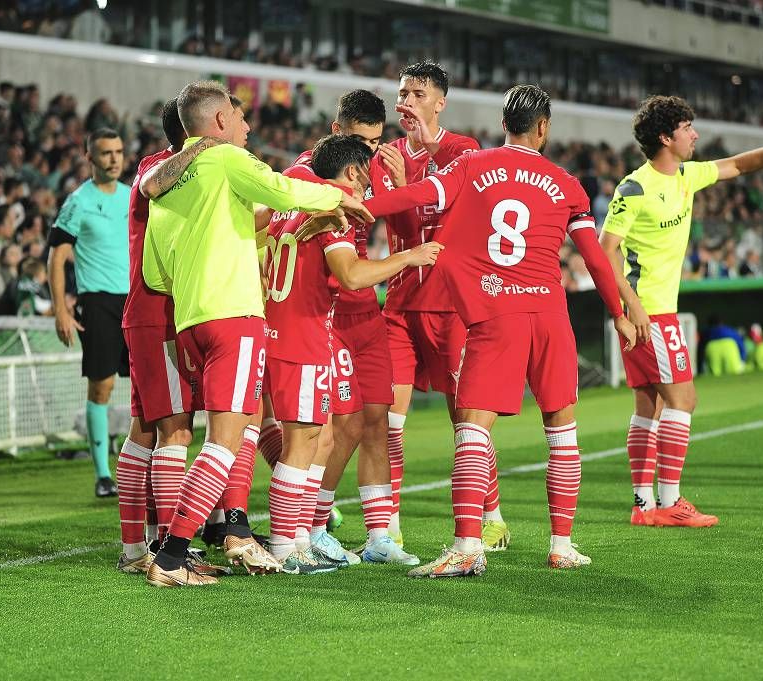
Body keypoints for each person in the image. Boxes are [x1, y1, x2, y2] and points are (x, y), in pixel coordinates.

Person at [364, 84, 637, 577]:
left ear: (504, 123)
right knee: (562, 433)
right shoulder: (567, 182)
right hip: (551, 317)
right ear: (543, 128)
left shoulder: (474, 165)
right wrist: (618, 311)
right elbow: (595, 256)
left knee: (471, 430)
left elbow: (419, 195)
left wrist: (357, 206)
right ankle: (561, 544)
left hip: (496, 315)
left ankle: (468, 545)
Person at [141, 80, 371, 587]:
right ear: (219, 120)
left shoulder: (169, 182)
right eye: (240, 119)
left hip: (191, 321)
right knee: (224, 443)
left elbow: (156, 274)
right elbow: (284, 187)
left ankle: (186, 544)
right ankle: (173, 557)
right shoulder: (224, 159)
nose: (247, 127)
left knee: (226, 434)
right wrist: (340, 194)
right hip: (235, 318)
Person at [599, 95, 763, 528]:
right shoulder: (634, 188)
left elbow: (737, 165)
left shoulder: (685, 176)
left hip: (651, 314)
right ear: (666, 136)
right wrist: (629, 311)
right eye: (687, 128)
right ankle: (670, 502)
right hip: (652, 314)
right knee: (684, 399)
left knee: (649, 405)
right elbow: (605, 253)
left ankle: (644, 507)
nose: (695, 134)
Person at [263, 134, 438, 573]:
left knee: (315, 437)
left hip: (281, 329)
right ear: (355, 172)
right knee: (303, 441)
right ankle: (288, 547)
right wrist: (408, 257)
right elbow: (352, 274)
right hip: (301, 334)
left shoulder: (296, 201)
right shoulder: (335, 203)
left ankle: (301, 539)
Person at [382, 60, 510, 552]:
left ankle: (492, 515)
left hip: (450, 307)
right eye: (402, 93)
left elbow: (445, 200)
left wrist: (403, 181)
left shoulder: (465, 151)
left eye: (417, 93)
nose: (407, 101)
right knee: (389, 420)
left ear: (440, 102)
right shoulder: (388, 154)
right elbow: (385, 217)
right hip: (399, 304)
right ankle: (387, 526)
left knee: (467, 420)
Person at [113, 97, 227, 576]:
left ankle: (134, 549)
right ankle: (167, 548)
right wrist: (203, 148)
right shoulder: (159, 166)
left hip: (150, 313)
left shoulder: (170, 168)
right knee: (175, 430)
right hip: (159, 314)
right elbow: (153, 182)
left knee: (144, 431)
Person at [48, 128, 131, 498]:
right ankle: (102, 474)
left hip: (135, 300)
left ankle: (141, 468)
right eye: (106, 153)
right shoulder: (78, 201)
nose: (114, 158)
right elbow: (57, 257)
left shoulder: (132, 196)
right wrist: (60, 310)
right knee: (102, 385)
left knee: (148, 388)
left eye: (118, 152)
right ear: (90, 157)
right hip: (97, 300)